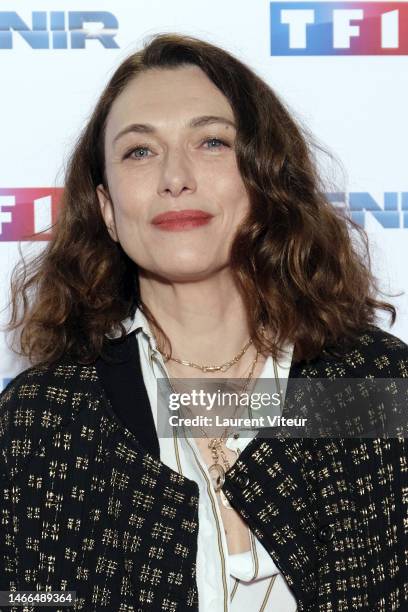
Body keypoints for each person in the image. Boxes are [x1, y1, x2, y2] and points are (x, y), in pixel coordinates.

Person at [1, 33, 407, 612]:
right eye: (139, 151)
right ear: (109, 210)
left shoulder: (375, 387)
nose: (175, 176)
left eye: (212, 142)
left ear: (265, 179)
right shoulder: (45, 422)